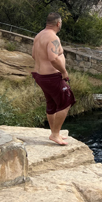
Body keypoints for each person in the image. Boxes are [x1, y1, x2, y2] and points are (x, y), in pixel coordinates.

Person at [31, 12, 76, 145]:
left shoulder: (38, 36)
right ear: (58, 23)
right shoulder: (52, 37)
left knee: (51, 103)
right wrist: (64, 71)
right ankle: (55, 134)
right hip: (52, 77)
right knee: (66, 102)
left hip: (40, 75)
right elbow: (53, 58)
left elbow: (34, 55)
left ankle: (54, 132)